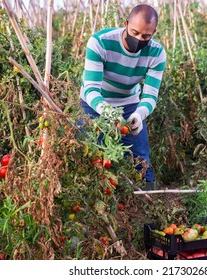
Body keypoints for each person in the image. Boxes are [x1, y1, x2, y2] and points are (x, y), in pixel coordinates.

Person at [80, 4, 166, 190]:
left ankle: (146, 207)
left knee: (140, 158)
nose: (138, 39)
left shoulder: (156, 53)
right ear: (125, 23)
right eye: (134, 32)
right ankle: (92, 208)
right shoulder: (100, 42)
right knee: (92, 156)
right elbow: (91, 90)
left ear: (154, 32)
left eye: (145, 36)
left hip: (129, 103)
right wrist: (109, 113)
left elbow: (150, 96)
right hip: (94, 104)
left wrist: (138, 115)